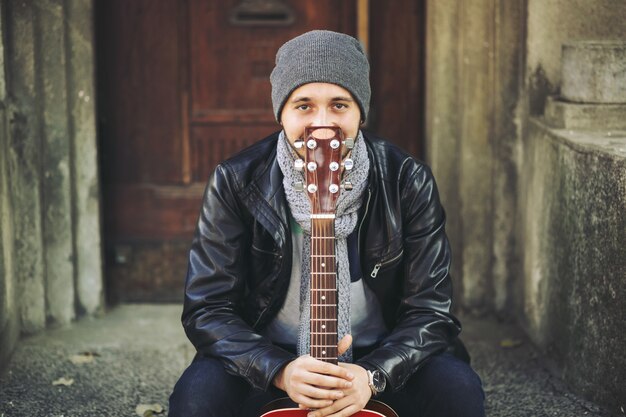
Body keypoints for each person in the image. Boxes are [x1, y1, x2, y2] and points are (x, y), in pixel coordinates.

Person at [168, 30, 485, 417]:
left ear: (360, 113)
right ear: (280, 112)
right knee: (195, 399)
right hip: (268, 357)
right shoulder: (235, 180)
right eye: (303, 105)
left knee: (459, 391)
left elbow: (432, 310)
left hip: (379, 356)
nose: (322, 124)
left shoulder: (406, 180)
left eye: (339, 105)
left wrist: (372, 376)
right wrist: (279, 370)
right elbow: (207, 308)